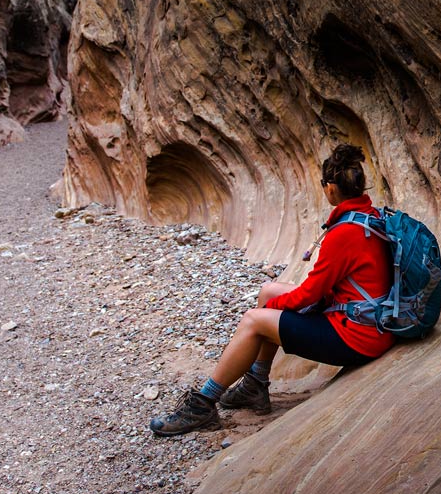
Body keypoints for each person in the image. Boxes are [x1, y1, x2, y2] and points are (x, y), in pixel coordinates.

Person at [149, 143, 394, 436]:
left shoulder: (344, 233)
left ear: (330, 189)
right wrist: (274, 304)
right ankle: (255, 385)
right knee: (269, 291)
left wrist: (267, 313)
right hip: (370, 322)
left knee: (255, 321)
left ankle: (203, 405)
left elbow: (309, 295)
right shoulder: (369, 218)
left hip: (357, 336)